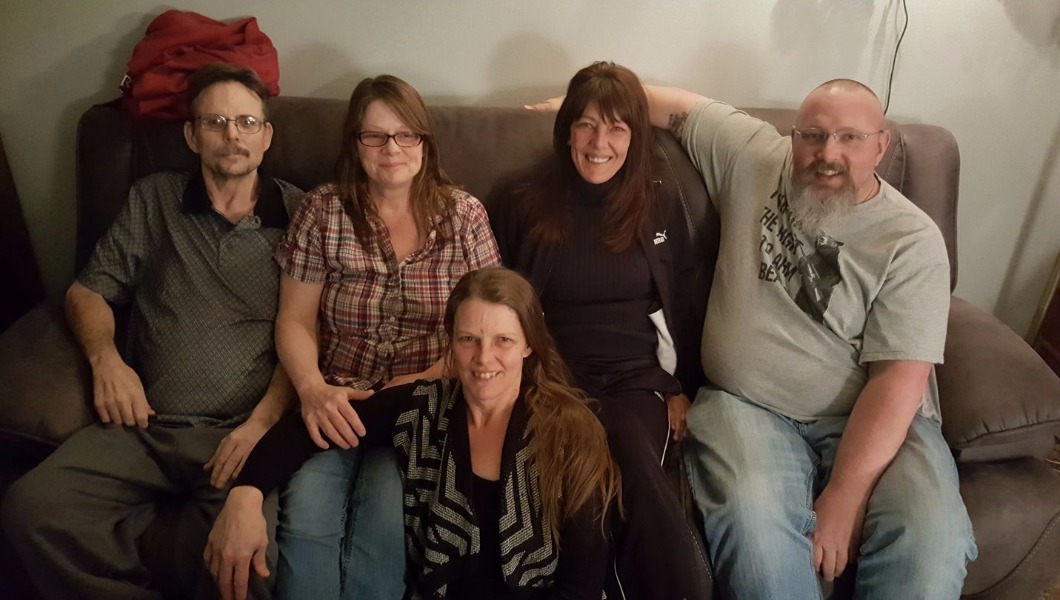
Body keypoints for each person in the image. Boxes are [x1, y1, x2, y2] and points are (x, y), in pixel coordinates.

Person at [640, 79, 978, 597]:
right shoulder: (752, 155)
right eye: (813, 136)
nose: (828, 154)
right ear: (793, 136)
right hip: (746, 406)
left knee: (932, 542)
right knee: (757, 541)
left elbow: (899, 380)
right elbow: (674, 107)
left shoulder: (911, 241)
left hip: (874, 417)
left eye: (850, 138)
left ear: (881, 146)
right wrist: (584, 104)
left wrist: (845, 496)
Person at [0, 63, 303, 599]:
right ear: (191, 135)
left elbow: (308, 335)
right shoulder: (153, 199)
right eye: (215, 122)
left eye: (247, 122)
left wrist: (262, 425)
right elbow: (87, 291)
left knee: (246, 566)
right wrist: (106, 362)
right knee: (32, 508)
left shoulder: (303, 214)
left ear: (266, 135)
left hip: (237, 437)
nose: (232, 135)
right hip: (143, 426)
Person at [205, 266, 619, 600]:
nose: (483, 358)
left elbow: (582, 584)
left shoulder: (570, 432)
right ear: (450, 343)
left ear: (529, 345)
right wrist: (246, 495)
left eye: (503, 341)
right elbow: (312, 425)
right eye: (469, 339)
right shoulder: (424, 408)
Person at [272, 74, 500, 599]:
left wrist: (423, 380)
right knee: (306, 515)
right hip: (336, 401)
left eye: (405, 134)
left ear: (425, 141)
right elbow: (294, 319)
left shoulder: (464, 217)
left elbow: (488, 327)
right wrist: (311, 389)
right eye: (374, 136)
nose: (391, 149)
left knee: (385, 521)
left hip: (421, 409)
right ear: (355, 144)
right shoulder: (322, 211)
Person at [496, 61, 712, 599]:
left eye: (617, 128)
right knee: (591, 467)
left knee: (632, 452)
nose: (600, 143)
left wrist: (682, 386)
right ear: (567, 130)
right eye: (587, 125)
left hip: (636, 378)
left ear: (635, 138)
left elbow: (685, 303)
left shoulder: (659, 204)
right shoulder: (522, 200)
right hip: (553, 379)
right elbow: (499, 303)